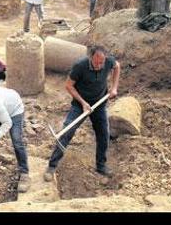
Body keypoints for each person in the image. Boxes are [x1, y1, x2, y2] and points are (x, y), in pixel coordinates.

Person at [44, 45, 120, 181]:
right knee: (67, 130)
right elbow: (68, 86)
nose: (99, 65)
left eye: (101, 62)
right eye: (96, 62)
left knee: (103, 133)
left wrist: (114, 87)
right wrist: (83, 103)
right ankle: (52, 165)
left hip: (99, 103)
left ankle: (101, 165)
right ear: (91, 58)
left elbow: (117, 66)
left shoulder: (108, 61)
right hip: (80, 104)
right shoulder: (80, 66)